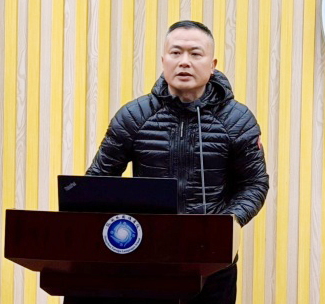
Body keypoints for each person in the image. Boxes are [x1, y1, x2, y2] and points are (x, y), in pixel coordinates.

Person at [84, 20, 269, 303]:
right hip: (145, 258)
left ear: (212, 64)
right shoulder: (134, 116)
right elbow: (97, 180)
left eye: (195, 54)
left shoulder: (237, 120)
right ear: (163, 60)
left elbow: (254, 183)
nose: (184, 62)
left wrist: (228, 221)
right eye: (176, 53)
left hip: (213, 260)